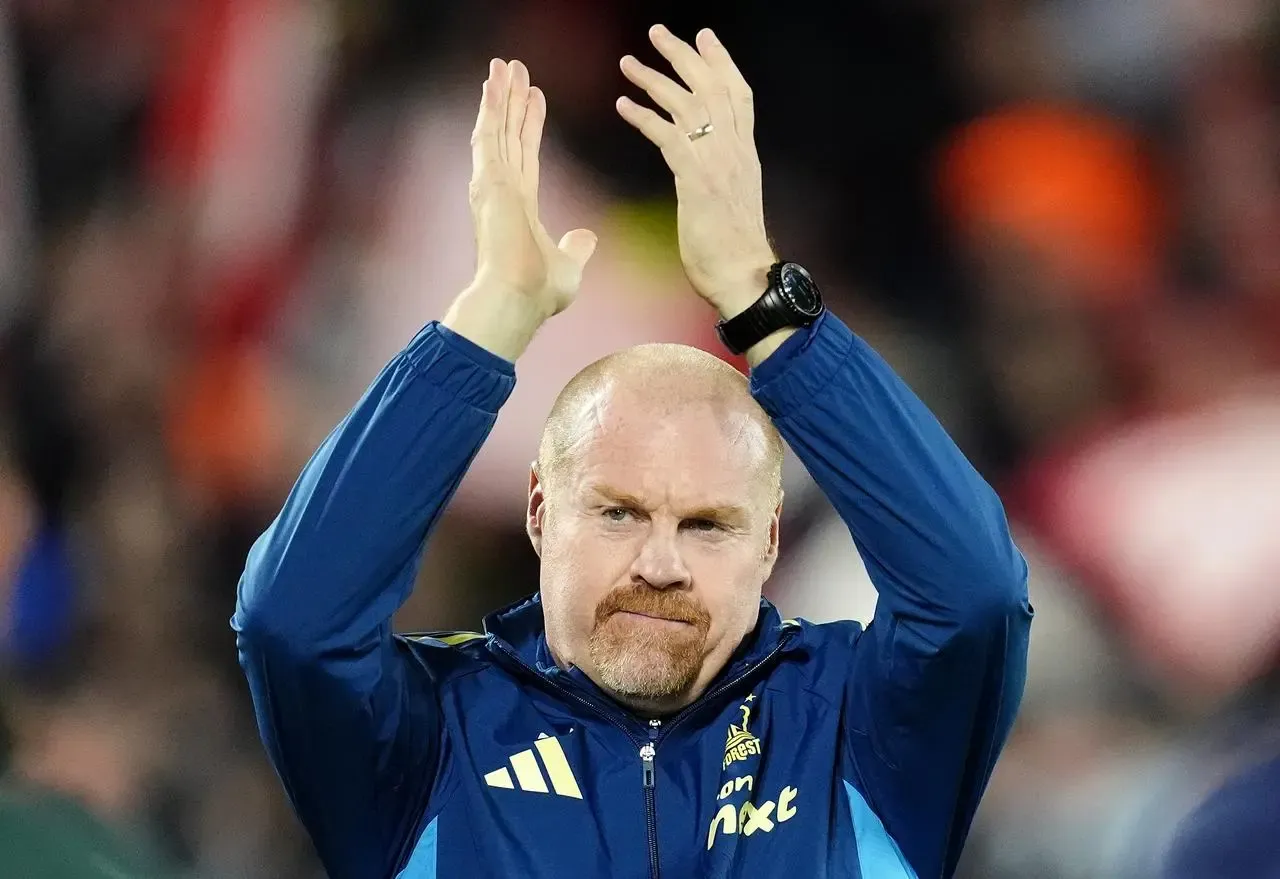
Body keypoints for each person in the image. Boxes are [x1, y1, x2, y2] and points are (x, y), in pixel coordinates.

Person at [233, 25, 1032, 879]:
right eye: (618, 512)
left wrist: (762, 301)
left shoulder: (856, 726)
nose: (661, 562)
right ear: (541, 511)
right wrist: (489, 322)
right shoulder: (433, 737)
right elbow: (294, 621)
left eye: (707, 525)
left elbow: (974, 595)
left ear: (769, 540)